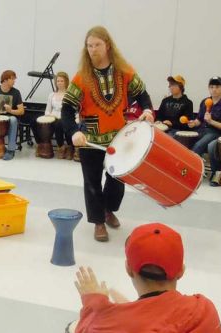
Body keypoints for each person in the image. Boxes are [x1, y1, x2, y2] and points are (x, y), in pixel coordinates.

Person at [61, 26, 154, 242]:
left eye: (97, 45)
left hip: (119, 139)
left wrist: (147, 110)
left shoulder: (124, 71)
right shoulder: (81, 77)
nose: (93, 49)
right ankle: (98, 222)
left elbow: (142, 94)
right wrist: (73, 131)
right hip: (90, 140)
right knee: (92, 182)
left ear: (108, 45)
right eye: (89, 45)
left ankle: (108, 209)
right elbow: (67, 109)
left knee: (117, 180)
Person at [73, 222, 221, 332]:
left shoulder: (104, 325)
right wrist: (135, 310)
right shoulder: (205, 310)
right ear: (181, 271)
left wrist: (94, 307)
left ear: (128, 269)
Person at [188, 76, 221, 156]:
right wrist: (194, 123)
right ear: (209, 88)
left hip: (216, 133)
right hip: (201, 130)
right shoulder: (204, 101)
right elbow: (199, 120)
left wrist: (211, 121)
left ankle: (190, 165)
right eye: (211, 87)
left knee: (198, 146)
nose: (214, 89)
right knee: (185, 141)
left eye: (217, 87)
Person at [44, 71, 73, 159]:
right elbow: (47, 111)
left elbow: (74, 111)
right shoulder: (51, 95)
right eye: (58, 81)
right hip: (54, 118)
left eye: (62, 81)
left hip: (66, 117)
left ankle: (69, 147)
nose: (59, 83)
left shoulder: (70, 95)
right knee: (57, 123)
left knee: (62, 123)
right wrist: (50, 116)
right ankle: (61, 147)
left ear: (66, 82)